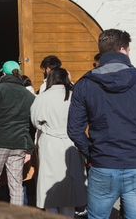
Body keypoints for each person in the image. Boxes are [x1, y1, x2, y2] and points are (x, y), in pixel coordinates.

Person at [67, 29, 136, 219]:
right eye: (129, 49)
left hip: (103, 164)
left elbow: (74, 130)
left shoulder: (84, 83)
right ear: (123, 50)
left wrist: (92, 155)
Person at [31, 68, 87, 217]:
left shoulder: (43, 97)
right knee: (70, 185)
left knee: (50, 185)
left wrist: (46, 128)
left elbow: (35, 120)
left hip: (50, 143)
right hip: (71, 142)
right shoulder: (74, 95)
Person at [0, 61, 36, 206]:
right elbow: (32, 125)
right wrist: (29, 148)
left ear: (3, 73)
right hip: (18, 144)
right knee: (16, 185)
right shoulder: (28, 95)